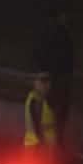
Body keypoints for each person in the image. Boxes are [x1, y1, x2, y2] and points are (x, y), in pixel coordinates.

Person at [32, 8, 74, 140]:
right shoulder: (60, 34)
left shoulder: (50, 32)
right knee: (53, 112)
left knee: (50, 112)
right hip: (55, 77)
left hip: (52, 76)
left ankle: (50, 137)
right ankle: (54, 138)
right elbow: (67, 58)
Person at [23, 72, 58, 163]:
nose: (46, 84)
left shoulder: (43, 99)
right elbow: (36, 123)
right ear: (35, 83)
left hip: (42, 146)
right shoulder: (35, 99)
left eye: (47, 81)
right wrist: (41, 144)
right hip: (37, 146)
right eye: (42, 81)